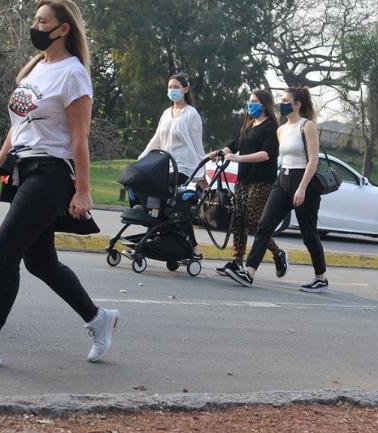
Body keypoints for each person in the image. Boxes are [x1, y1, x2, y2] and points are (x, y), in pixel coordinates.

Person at [0, 0, 118, 368]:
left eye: (42, 21)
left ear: (63, 29)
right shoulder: (37, 68)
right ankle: (99, 319)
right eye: (35, 20)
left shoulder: (73, 74)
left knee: (5, 249)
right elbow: (18, 128)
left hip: (51, 173)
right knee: (40, 262)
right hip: (24, 170)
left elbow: (79, 138)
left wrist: (83, 191)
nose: (35, 27)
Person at [224, 87, 329, 293]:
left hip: (302, 181)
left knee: (309, 234)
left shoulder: (307, 126)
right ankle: (249, 272)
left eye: (285, 100)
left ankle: (321, 277)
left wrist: (301, 188)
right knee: (264, 226)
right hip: (283, 180)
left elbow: (313, 160)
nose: (281, 103)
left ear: (297, 104)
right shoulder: (281, 130)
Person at [209, 89, 288, 280]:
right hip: (243, 181)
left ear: (264, 105)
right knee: (238, 220)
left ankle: (278, 253)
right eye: (250, 101)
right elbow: (234, 144)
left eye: (255, 101)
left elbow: (266, 154)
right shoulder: (249, 124)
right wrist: (220, 152)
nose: (250, 104)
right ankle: (237, 261)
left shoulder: (270, 128)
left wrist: (237, 158)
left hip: (261, 182)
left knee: (254, 223)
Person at [138, 73, 206, 185]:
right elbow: (156, 140)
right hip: (164, 165)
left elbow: (197, 145)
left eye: (176, 87)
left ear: (185, 89)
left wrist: (202, 171)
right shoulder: (166, 114)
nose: (172, 90)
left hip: (183, 168)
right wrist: (141, 160)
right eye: (170, 87)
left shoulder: (191, 114)